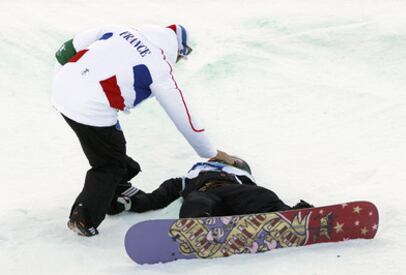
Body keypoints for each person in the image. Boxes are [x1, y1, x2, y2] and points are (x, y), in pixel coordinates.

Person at [51, 24, 234, 236]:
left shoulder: (122, 29)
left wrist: (63, 79)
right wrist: (211, 153)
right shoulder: (160, 67)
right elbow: (184, 117)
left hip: (62, 90)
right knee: (110, 165)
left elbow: (66, 49)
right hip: (91, 107)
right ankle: (84, 217)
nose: (179, 62)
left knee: (113, 148)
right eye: (183, 56)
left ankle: (114, 194)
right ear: (179, 49)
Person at [109, 156, 313, 218]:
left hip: (233, 193)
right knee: (198, 202)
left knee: (262, 195)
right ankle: (196, 226)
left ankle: (290, 217)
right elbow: (156, 198)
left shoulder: (238, 177)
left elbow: (255, 195)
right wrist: (128, 202)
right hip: (205, 196)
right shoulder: (183, 180)